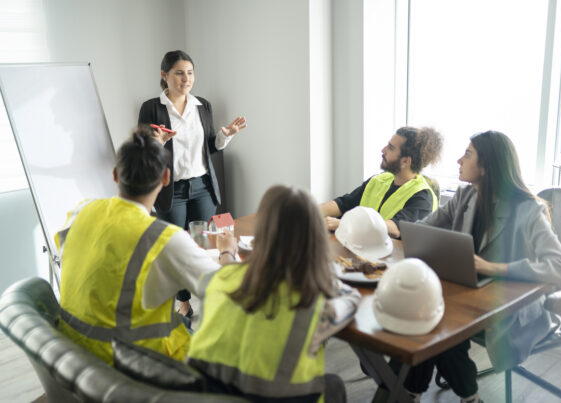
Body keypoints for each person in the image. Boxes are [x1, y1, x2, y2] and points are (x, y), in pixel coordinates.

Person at [385, 131, 561, 403]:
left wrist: (494, 268)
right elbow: (421, 229)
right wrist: (386, 231)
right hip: (467, 298)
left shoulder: (528, 210)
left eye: (468, 154)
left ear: (486, 166)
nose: (459, 160)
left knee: (441, 328)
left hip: (512, 310)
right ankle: (414, 391)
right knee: (426, 316)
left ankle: (442, 394)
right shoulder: (465, 197)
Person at [55, 127, 238, 365]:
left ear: (115, 174)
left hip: (77, 355)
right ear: (165, 178)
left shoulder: (82, 211)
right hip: (133, 367)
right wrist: (227, 250)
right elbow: (228, 290)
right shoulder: (164, 239)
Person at [186, 185, 362, 403]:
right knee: (333, 385)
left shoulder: (217, 280)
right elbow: (353, 300)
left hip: (206, 397)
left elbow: (229, 270)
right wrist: (321, 274)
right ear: (315, 240)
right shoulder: (316, 305)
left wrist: (227, 252)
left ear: (260, 233)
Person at [138, 49, 247, 318]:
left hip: (202, 187)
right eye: (179, 73)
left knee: (206, 246)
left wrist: (226, 135)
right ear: (164, 75)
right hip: (171, 190)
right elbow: (142, 149)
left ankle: (211, 299)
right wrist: (156, 144)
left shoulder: (203, 106)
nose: (186, 78)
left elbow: (211, 147)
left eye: (190, 72)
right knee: (175, 250)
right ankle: (183, 301)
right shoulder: (152, 108)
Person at [321, 127, 443, 238]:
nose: (383, 150)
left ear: (405, 161)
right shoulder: (379, 180)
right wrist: (310, 211)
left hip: (393, 258)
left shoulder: (422, 197)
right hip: (365, 250)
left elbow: (394, 228)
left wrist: (344, 225)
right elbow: (344, 203)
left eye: (390, 148)